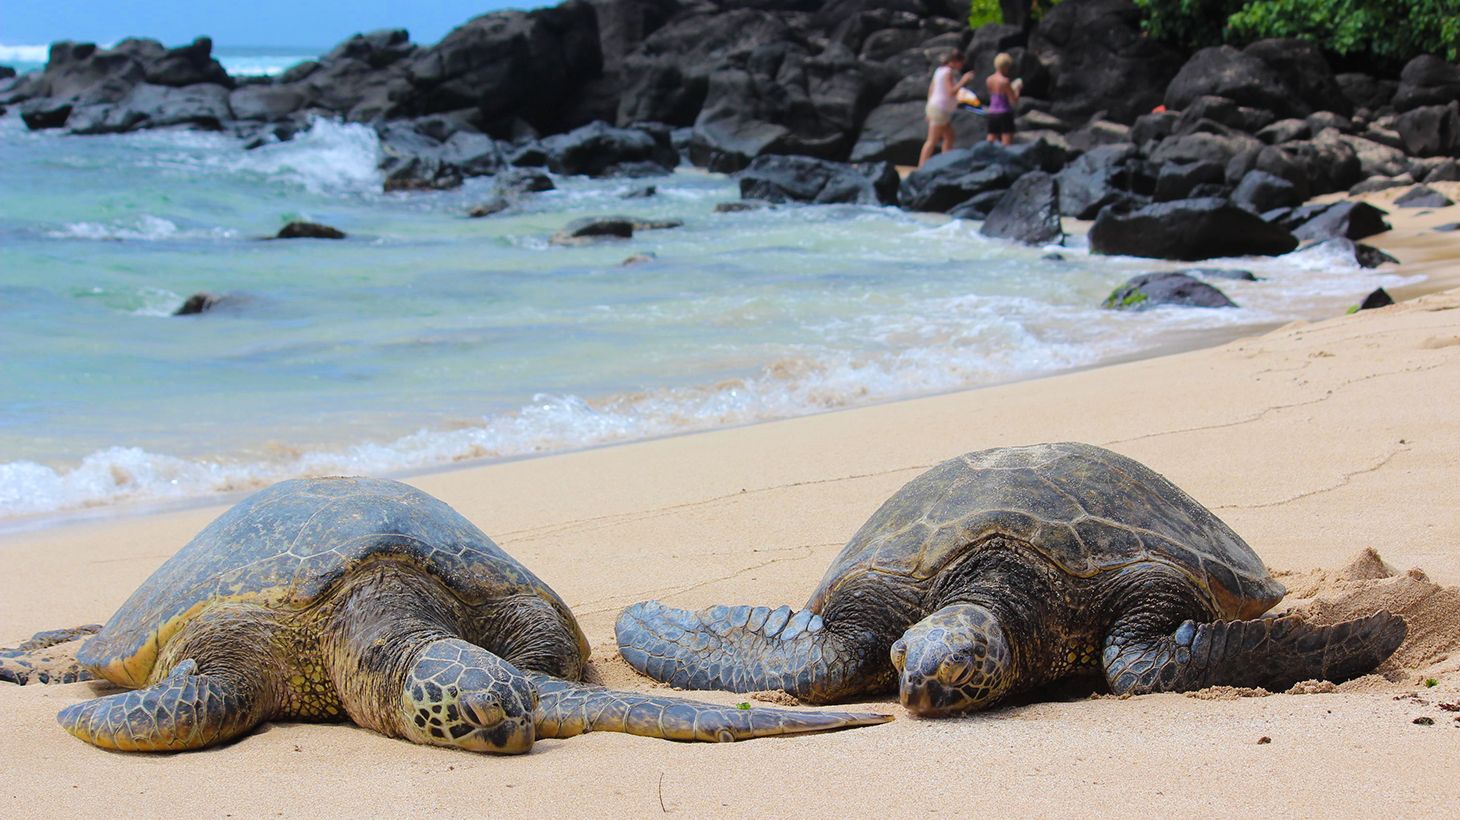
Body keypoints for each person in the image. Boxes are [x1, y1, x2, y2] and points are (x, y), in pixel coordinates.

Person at [918, 51, 973, 168]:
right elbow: (951, 92)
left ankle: (945, 163)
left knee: (949, 137)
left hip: (935, 107)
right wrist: (964, 80)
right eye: (960, 63)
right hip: (940, 109)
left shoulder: (939, 70)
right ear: (954, 62)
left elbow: (931, 89)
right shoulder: (948, 72)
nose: (961, 66)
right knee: (932, 141)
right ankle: (921, 167)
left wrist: (928, 107)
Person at [985, 52, 1021, 146]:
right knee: (1007, 143)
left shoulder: (989, 79)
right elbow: (1014, 100)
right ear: (1006, 66)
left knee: (991, 139)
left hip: (992, 112)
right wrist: (1017, 89)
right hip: (1005, 113)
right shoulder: (1005, 81)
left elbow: (991, 94)